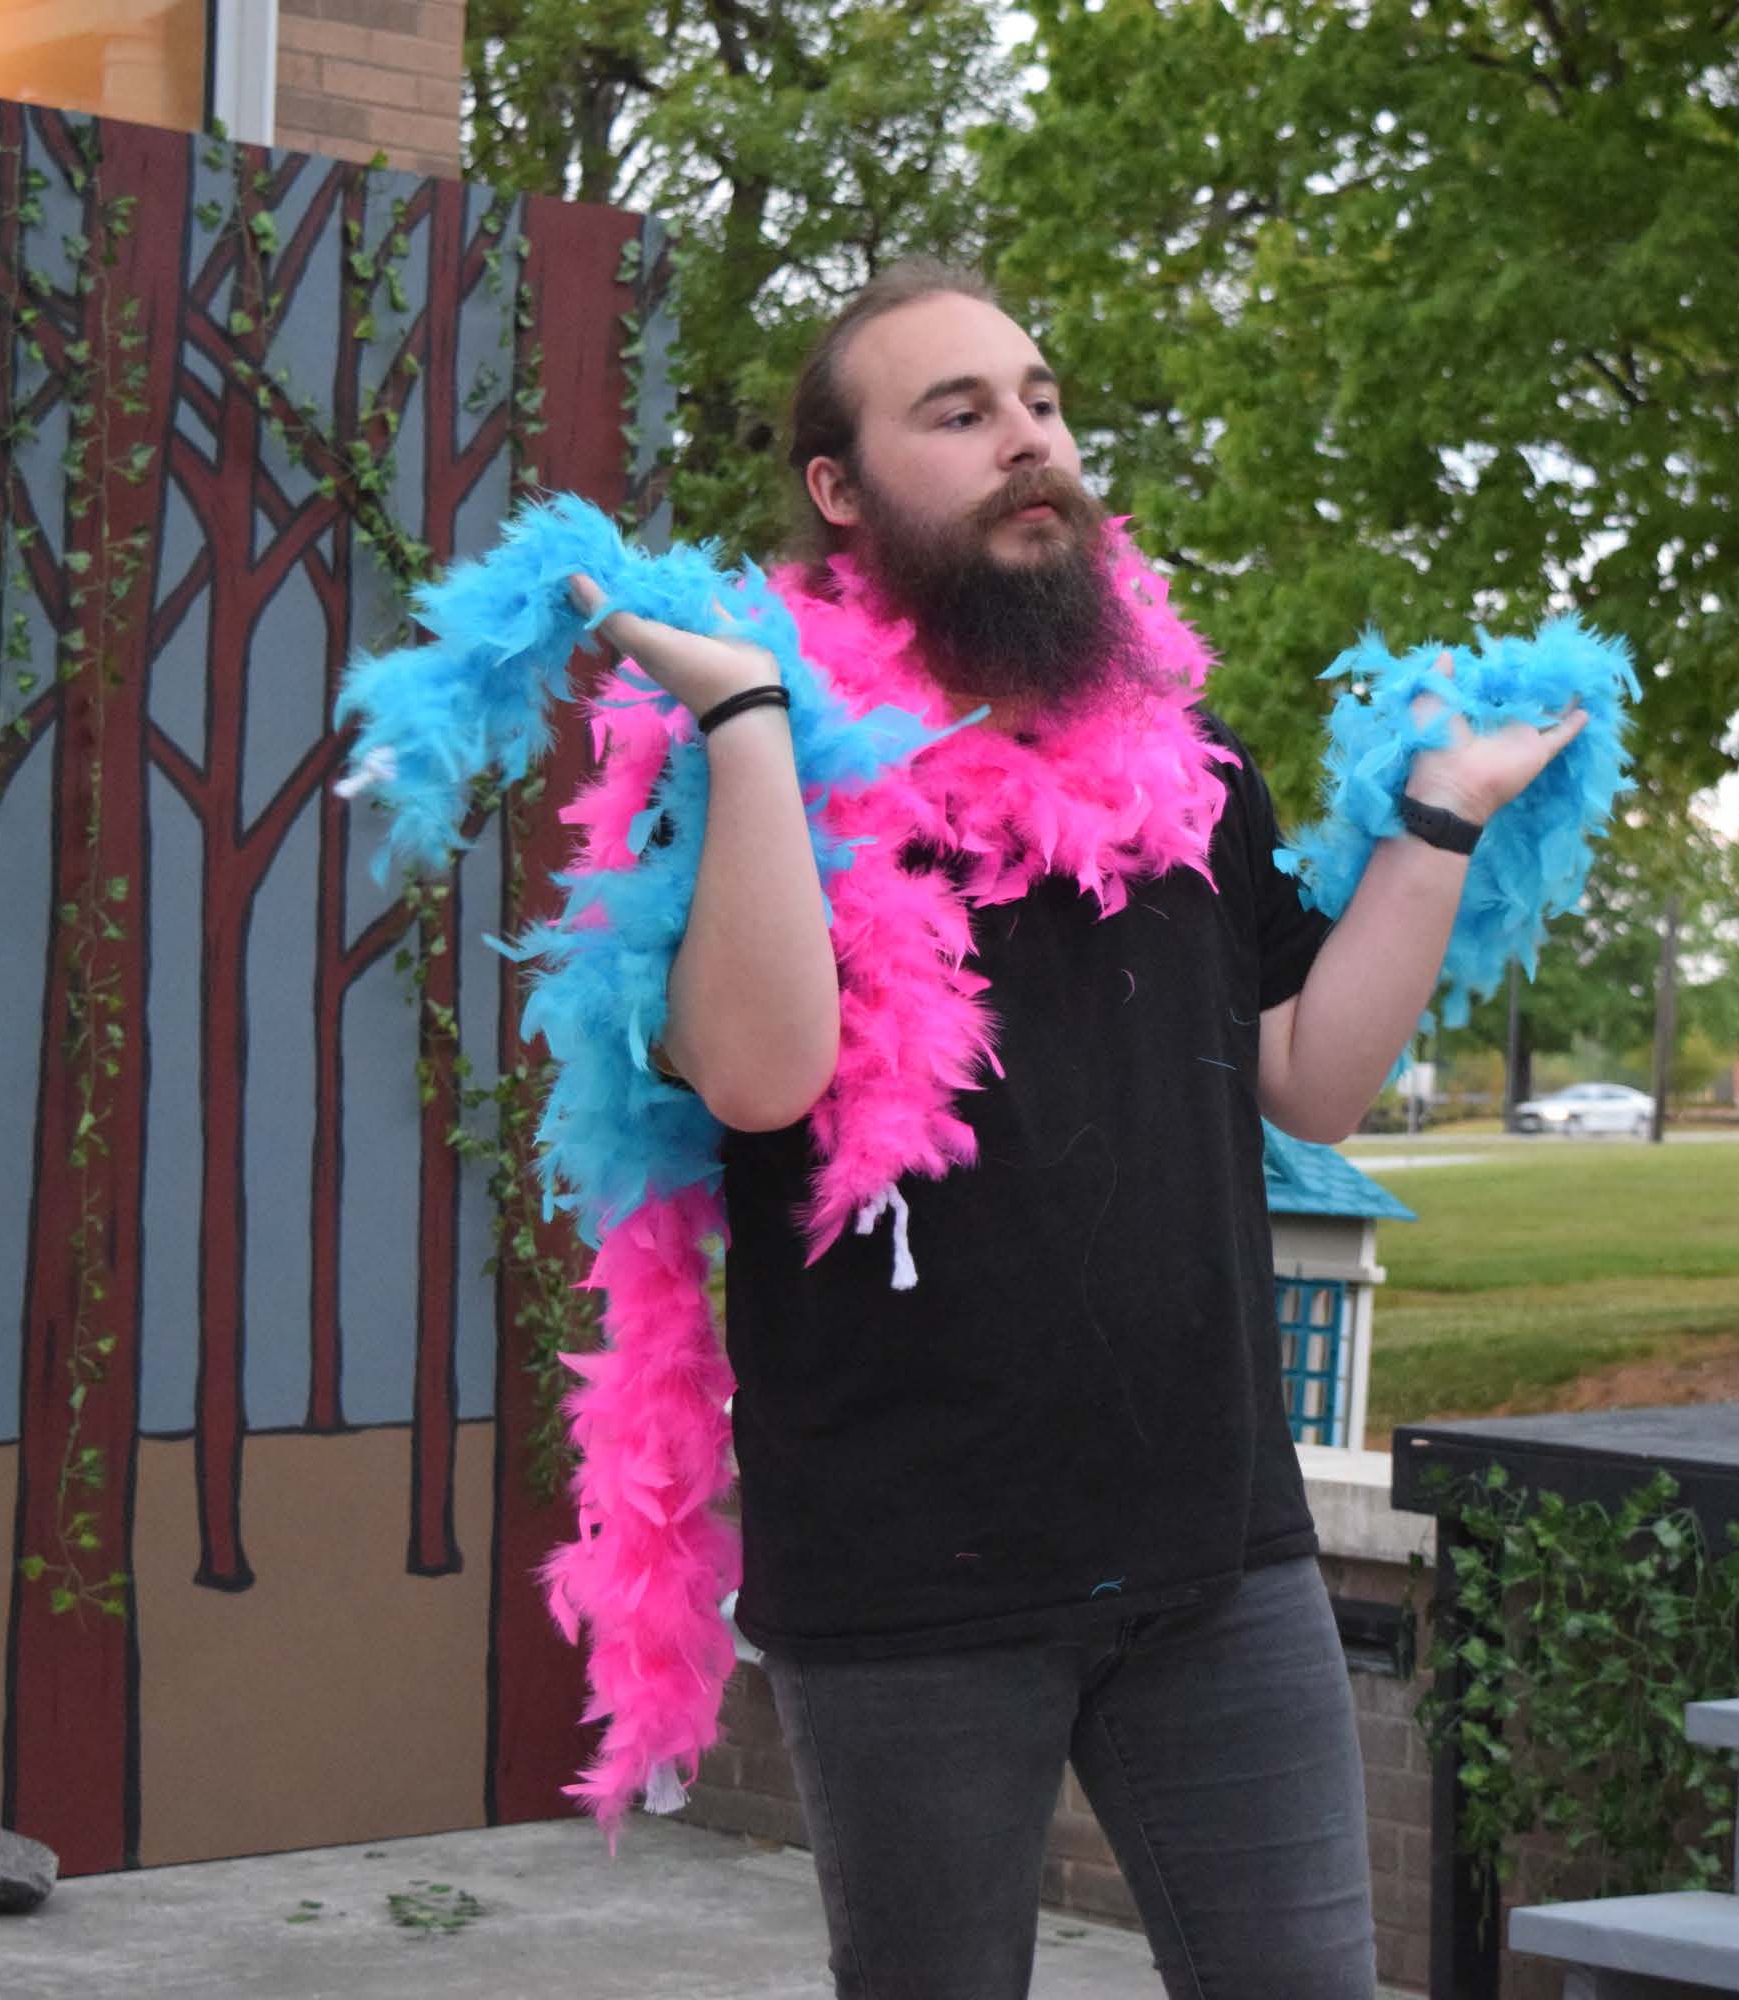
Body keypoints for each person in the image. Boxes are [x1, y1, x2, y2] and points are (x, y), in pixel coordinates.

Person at [563, 259, 1582, 2000]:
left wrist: (1439, 821)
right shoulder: (742, 770)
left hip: (1220, 1560)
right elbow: (758, 1079)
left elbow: (1311, 1082)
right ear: (841, 490)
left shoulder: (1187, 780)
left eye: (1039, 402)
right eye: (956, 414)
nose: (1027, 441)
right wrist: (746, 728)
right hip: (914, 1584)